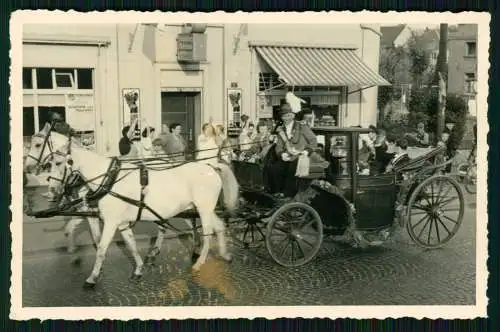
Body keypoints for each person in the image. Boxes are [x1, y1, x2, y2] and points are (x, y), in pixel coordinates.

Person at [268, 103, 318, 198]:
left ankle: (289, 196)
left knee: (292, 168)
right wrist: (282, 154)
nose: (286, 118)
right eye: (284, 116)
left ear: (293, 115)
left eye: (288, 115)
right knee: (274, 168)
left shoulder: (301, 126)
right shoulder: (281, 130)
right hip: (288, 157)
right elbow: (278, 146)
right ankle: (277, 193)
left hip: (302, 157)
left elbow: (313, 141)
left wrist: (306, 151)